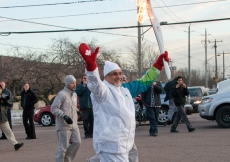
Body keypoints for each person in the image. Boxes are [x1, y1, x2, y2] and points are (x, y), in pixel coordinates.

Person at [78, 42, 169, 162]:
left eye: (120, 73)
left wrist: (158, 65)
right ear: (105, 77)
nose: (118, 76)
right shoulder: (103, 92)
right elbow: (94, 84)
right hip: (111, 146)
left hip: (125, 143)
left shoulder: (124, 90)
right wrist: (91, 68)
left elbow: (144, 81)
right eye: (114, 74)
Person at [51, 75, 81, 162]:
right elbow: (54, 108)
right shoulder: (62, 94)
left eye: (75, 83)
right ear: (67, 83)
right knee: (63, 147)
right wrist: (64, 115)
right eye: (72, 83)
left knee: (77, 142)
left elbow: (71, 107)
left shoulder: (74, 94)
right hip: (63, 125)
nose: (74, 85)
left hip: (74, 125)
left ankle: (67, 160)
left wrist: (76, 111)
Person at [0, 84, 24, 151]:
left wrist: (4, 100)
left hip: (3, 117)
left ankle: (16, 144)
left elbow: (10, 104)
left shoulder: (3, 96)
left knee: (9, 131)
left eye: (0, 89)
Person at [76, 74, 94, 139]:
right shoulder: (80, 86)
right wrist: (83, 86)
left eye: (86, 78)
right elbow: (77, 93)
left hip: (91, 106)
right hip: (84, 106)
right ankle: (87, 133)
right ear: (82, 79)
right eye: (84, 78)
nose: (85, 79)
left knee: (92, 120)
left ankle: (92, 133)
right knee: (85, 120)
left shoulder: (91, 85)